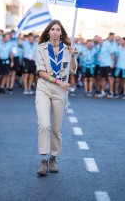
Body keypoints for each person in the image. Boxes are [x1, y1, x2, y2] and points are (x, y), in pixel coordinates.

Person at [35, 20, 77, 176]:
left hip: (60, 91)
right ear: (48, 32)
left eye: (57, 29)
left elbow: (72, 70)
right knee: (44, 124)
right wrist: (58, 81)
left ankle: (53, 158)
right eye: (52, 29)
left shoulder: (68, 49)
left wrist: (73, 56)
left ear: (61, 32)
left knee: (56, 127)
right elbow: (40, 72)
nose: (54, 32)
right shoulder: (41, 48)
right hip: (44, 87)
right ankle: (43, 160)